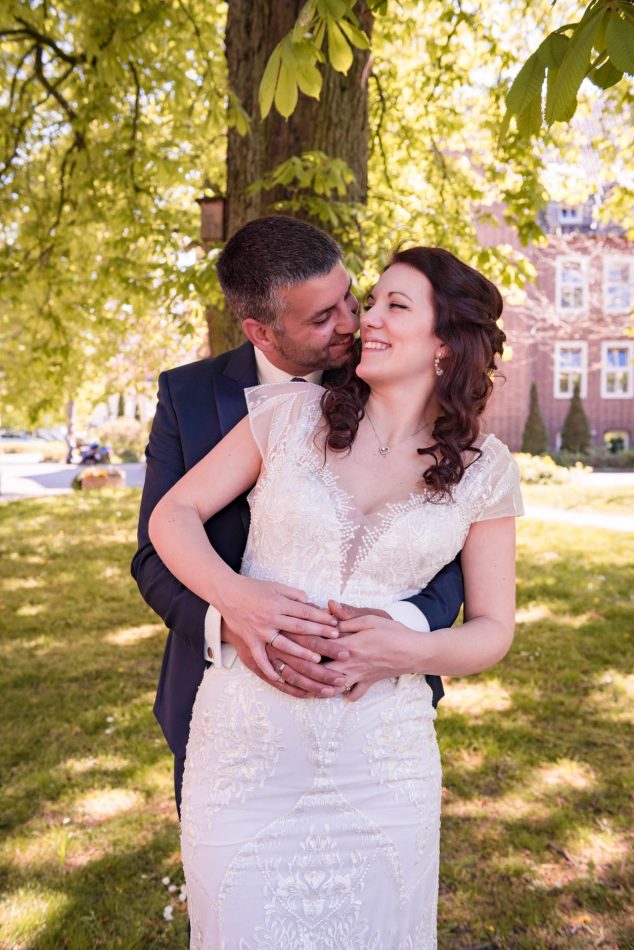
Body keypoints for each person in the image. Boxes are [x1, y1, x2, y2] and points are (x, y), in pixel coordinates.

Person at [148, 244, 524, 947]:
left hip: (383, 765)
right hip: (245, 753)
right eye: (370, 300)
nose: (366, 320)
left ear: (445, 343)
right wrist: (235, 598)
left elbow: (494, 626)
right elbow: (171, 518)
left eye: (393, 305)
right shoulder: (290, 415)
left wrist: (410, 649)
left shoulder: (487, 471)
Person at [131, 216, 464, 819]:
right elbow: (154, 554)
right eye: (321, 317)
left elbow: (448, 536)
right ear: (260, 330)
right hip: (228, 702)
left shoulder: (389, 372)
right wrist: (235, 615)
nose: (351, 324)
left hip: (374, 708)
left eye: (348, 298)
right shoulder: (187, 395)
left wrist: (395, 633)